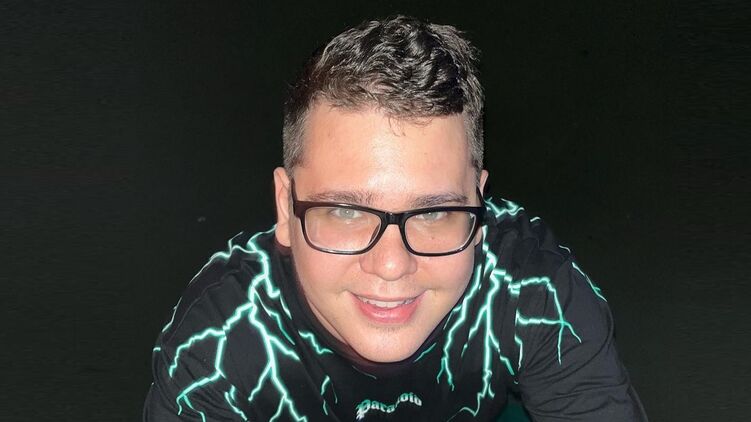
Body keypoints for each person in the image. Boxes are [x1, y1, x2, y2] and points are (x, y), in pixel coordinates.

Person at [143, 15, 647, 421]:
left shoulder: (534, 291)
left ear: (480, 203)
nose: (390, 265)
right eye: (345, 211)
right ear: (284, 207)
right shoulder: (217, 346)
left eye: (435, 211)